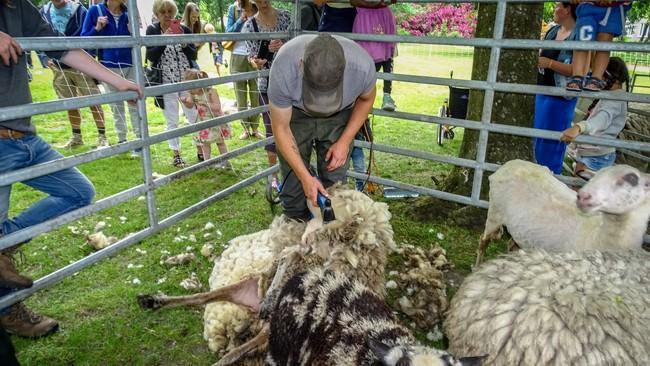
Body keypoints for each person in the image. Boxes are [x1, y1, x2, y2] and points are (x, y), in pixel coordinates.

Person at [0, 0, 142, 338]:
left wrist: (114, 81)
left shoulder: (21, 7)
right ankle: (9, 311)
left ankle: (4, 244)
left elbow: (61, 46)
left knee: (79, 191)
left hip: (24, 135)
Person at [268, 34, 376, 221]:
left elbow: (367, 100)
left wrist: (345, 140)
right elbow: (281, 129)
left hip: (340, 113)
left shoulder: (362, 67)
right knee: (294, 174)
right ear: (301, 64)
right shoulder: (284, 67)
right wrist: (305, 177)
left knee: (335, 177)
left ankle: (332, 225)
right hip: (295, 113)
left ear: (344, 70)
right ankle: (295, 222)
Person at [40, 0, 110, 149]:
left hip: (81, 66)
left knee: (94, 101)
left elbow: (88, 35)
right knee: (69, 103)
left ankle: (102, 136)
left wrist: (87, 61)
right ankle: (77, 137)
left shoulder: (79, 10)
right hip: (59, 67)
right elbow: (37, 35)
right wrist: (44, 58)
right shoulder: (44, 12)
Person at [242, 0, 291, 190]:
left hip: (290, 81)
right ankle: (274, 176)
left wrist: (284, 44)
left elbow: (299, 44)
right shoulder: (249, 25)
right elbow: (252, 58)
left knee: (293, 128)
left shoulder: (287, 16)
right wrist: (258, 61)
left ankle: (294, 172)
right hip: (267, 83)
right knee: (272, 130)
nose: (262, 2)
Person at [81, 0, 142, 153]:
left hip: (130, 64)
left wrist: (133, 30)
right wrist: (97, 28)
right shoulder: (95, 11)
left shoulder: (129, 12)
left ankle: (140, 141)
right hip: (108, 67)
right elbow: (84, 40)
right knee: (116, 106)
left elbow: (138, 39)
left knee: (135, 102)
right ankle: (122, 140)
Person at [146, 0, 198, 168]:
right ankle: (176, 154)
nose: (167, 15)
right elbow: (151, 56)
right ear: (157, 14)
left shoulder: (185, 29)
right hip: (166, 81)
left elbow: (193, 55)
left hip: (185, 79)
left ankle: (200, 148)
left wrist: (183, 42)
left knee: (193, 115)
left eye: (170, 12)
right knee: (172, 119)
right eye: (163, 12)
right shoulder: (152, 30)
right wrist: (164, 39)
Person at [560, 57, 629, 179]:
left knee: (584, 194)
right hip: (591, 152)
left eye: (600, 75)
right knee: (578, 190)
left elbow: (600, 121)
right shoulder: (610, 95)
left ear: (611, 78)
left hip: (596, 157)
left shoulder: (615, 99)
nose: (596, 80)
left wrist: (579, 128)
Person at [533, 1, 577, 174]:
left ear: (567, 10)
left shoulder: (578, 36)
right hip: (541, 93)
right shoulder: (552, 31)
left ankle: (552, 177)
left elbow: (579, 69)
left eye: (558, 5)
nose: (554, 9)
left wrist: (550, 63)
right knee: (537, 138)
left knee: (552, 142)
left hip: (560, 98)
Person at [566, 0, 631, 92]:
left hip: (613, 8)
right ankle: (577, 76)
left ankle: (596, 78)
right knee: (583, 41)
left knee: (604, 44)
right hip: (588, 6)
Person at [180, 69, 232, 169]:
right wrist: (185, 102)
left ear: (199, 84)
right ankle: (207, 163)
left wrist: (205, 104)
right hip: (203, 120)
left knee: (220, 141)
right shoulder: (192, 93)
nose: (189, 90)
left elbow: (217, 108)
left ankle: (226, 161)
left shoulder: (211, 92)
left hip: (215, 119)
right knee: (204, 143)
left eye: (190, 87)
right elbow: (190, 105)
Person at [226, 0, 263, 140]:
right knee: (240, 94)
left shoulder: (256, 5)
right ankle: (245, 128)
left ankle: (255, 128)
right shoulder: (234, 9)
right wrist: (241, 19)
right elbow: (229, 32)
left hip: (254, 55)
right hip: (237, 55)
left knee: (255, 94)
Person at [352, 0, 397, 112]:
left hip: (382, 16)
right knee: (368, 57)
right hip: (365, 18)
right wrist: (375, 3)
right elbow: (353, 1)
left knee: (386, 53)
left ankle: (387, 95)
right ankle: (362, 97)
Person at [181, 2, 204, 70]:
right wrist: (194, 44)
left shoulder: (195, 27)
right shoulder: (181, 28)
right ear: (187, 15)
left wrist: (199, 45)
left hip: (191, 59)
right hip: (183, 60)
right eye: (194, 17)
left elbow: (194, 52)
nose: (196, 19)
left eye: (197, 17)